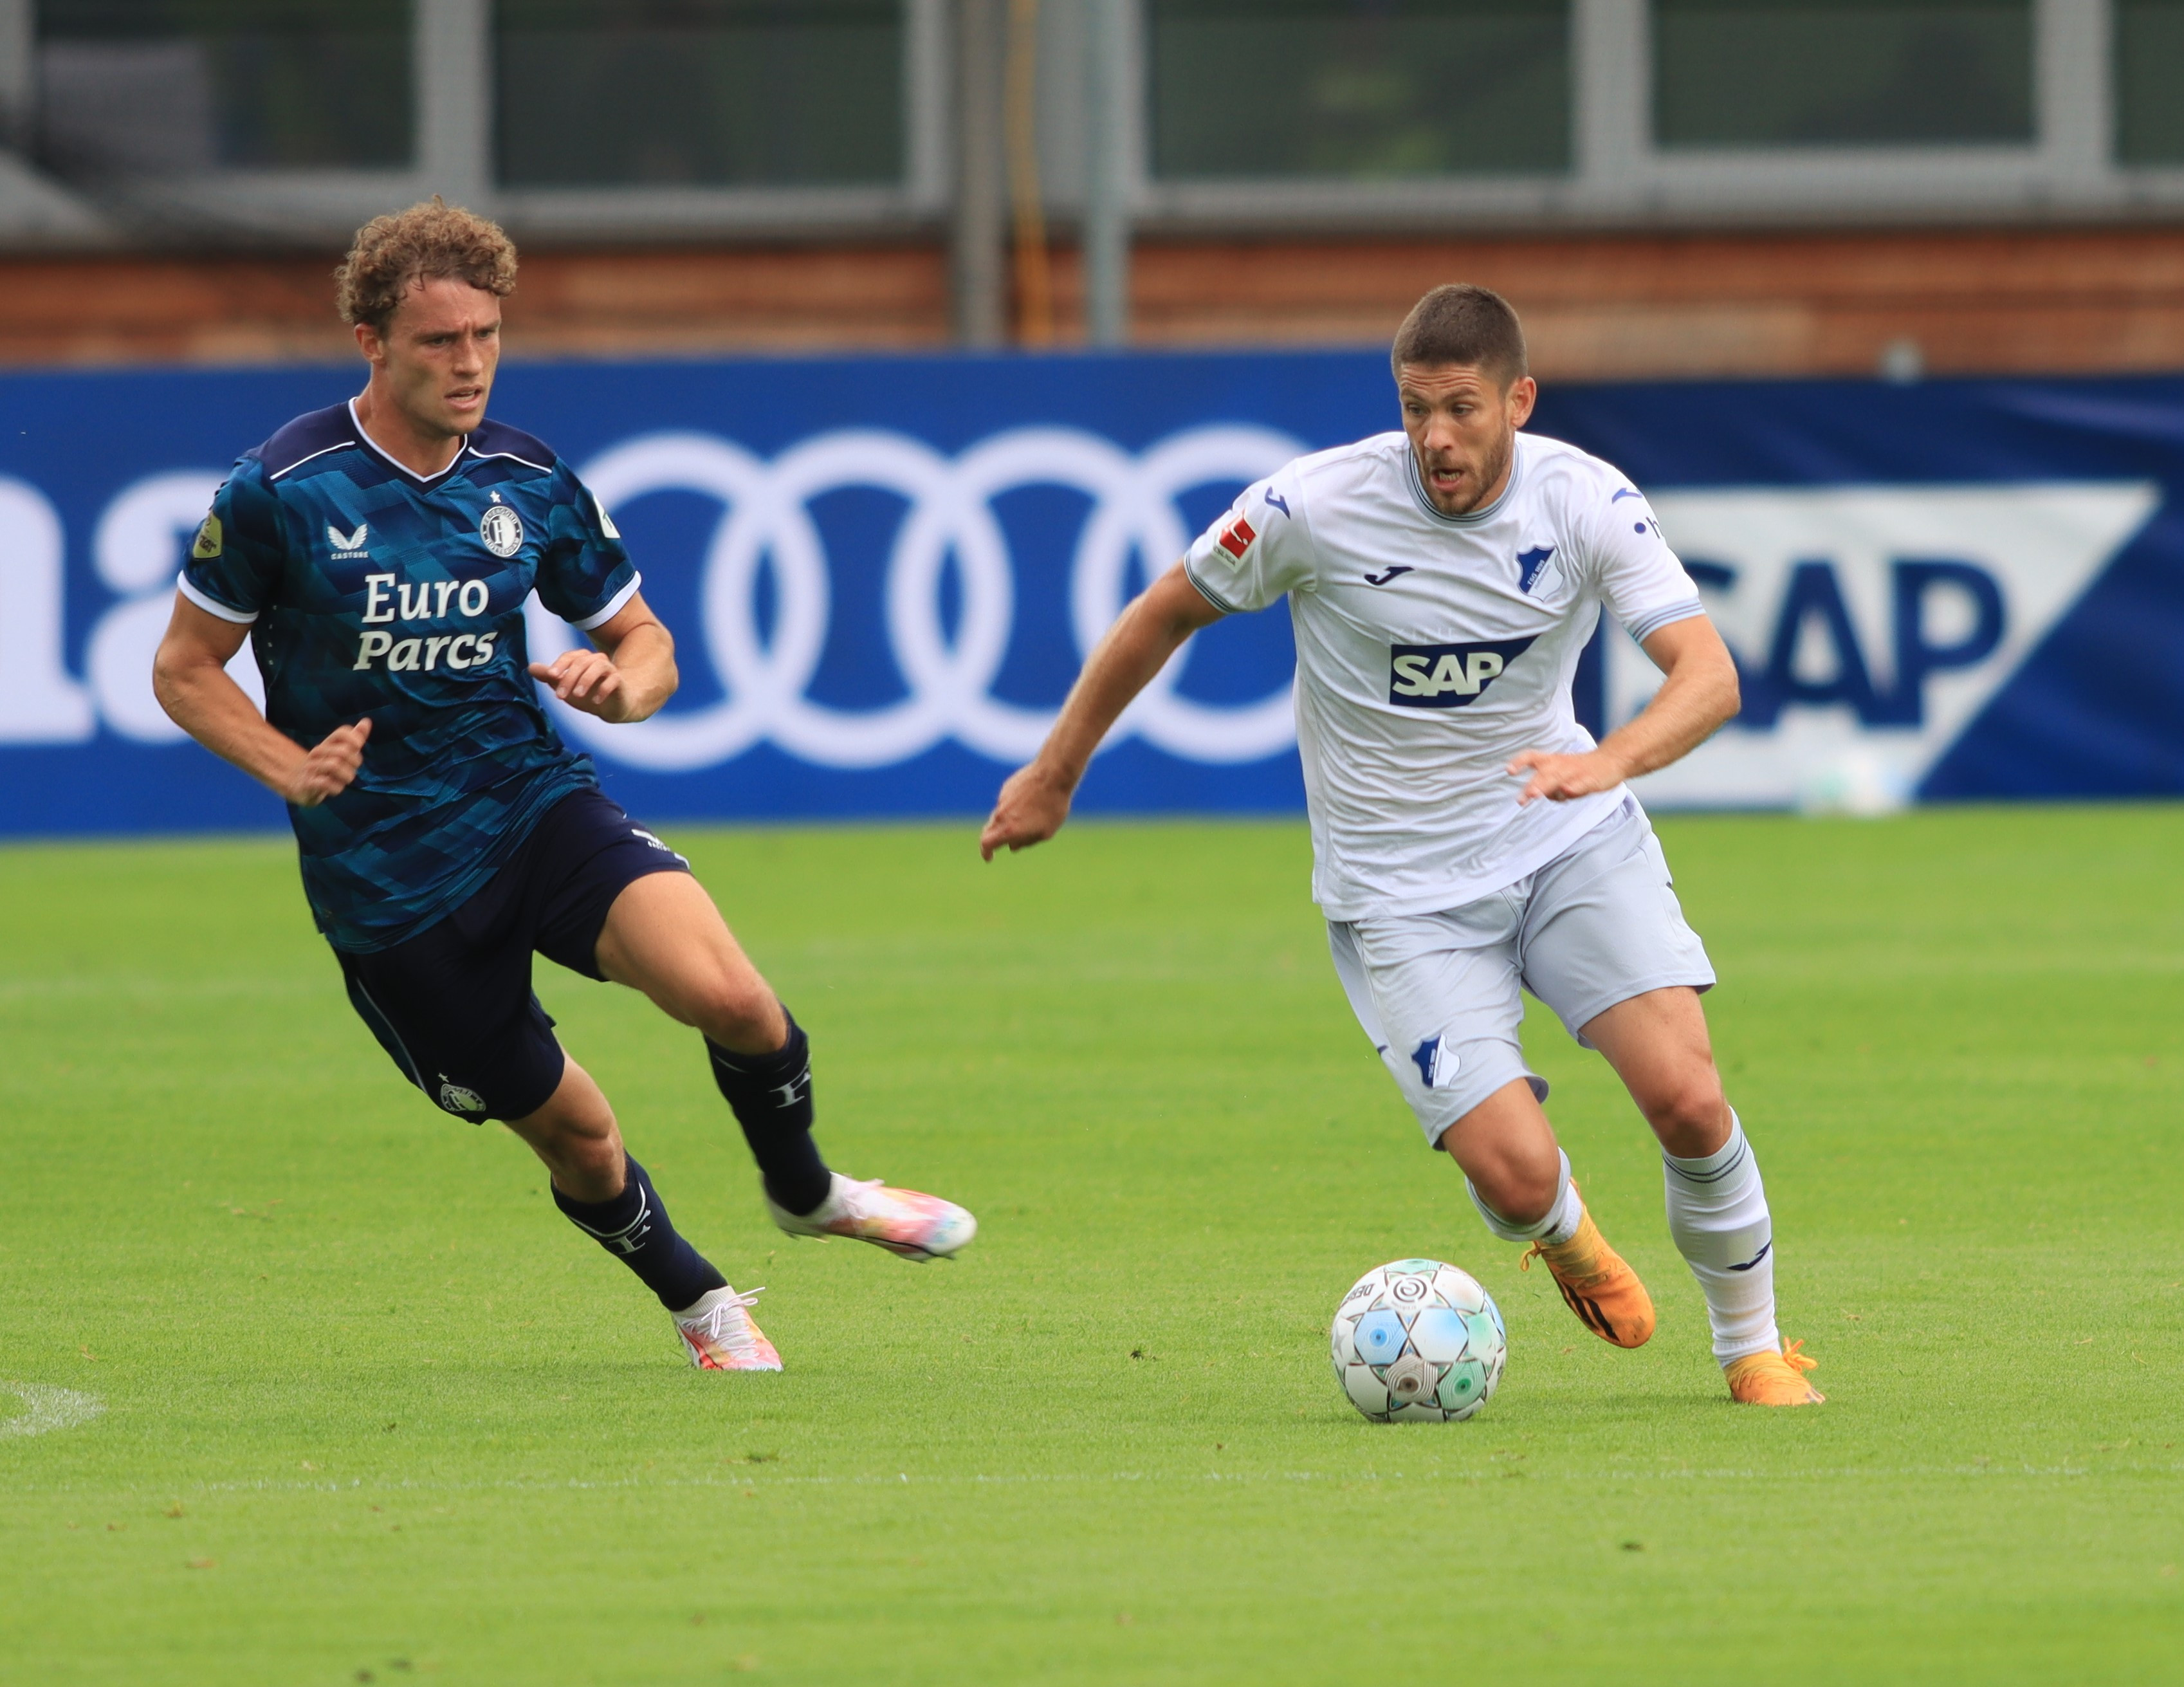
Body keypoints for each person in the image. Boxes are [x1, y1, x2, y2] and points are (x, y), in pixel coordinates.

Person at [153, 198, 974, 1374]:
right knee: (584, 1140)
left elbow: (648, 642)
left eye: (486, 334)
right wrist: (292, 766)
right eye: (440, 341)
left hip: (532, 805)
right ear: (372, 343)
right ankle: (697, 1300)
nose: (471, 362)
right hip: (389, 890)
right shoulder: (283, 490)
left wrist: (625, 689)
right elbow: (185, 671)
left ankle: (807, 1192)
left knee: (738, 1002)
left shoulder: (526, 477)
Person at [982, 283, 1819, 1406]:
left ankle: (1753, 1351)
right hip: (1400, 894)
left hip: (1566, 840)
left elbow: (1708, 676)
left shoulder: (1588, 502)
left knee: (1687, 1098)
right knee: (1516, 1179)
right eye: (1417, 409)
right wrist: (1054, 773)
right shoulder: (1311, 507)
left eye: (1463, 409)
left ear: (1518, 400)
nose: (1436, 438)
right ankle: (1562, 1234)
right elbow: (1163, 611)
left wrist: (1607, 763)